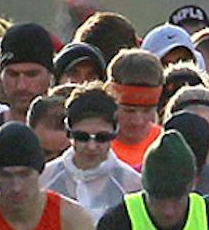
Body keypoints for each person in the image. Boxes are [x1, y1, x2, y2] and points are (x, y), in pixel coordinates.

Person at [41, 86, 141, 215]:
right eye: (82, 137)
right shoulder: (45, 179)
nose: (91, 146)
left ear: (115, 132)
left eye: (102, 138)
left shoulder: (132, 185)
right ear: (68, 132)